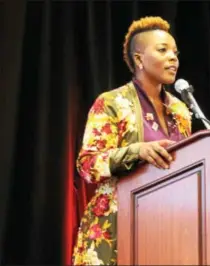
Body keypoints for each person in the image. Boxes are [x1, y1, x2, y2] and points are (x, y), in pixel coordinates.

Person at [71, 16, 192, 265]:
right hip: (115, 227)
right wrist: (136, 151)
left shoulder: (181, 110)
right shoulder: (112, 102)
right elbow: (88, 165)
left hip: (168, 227)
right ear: (138, 59)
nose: (173, 58)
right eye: (162, 50)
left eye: (175, 52)